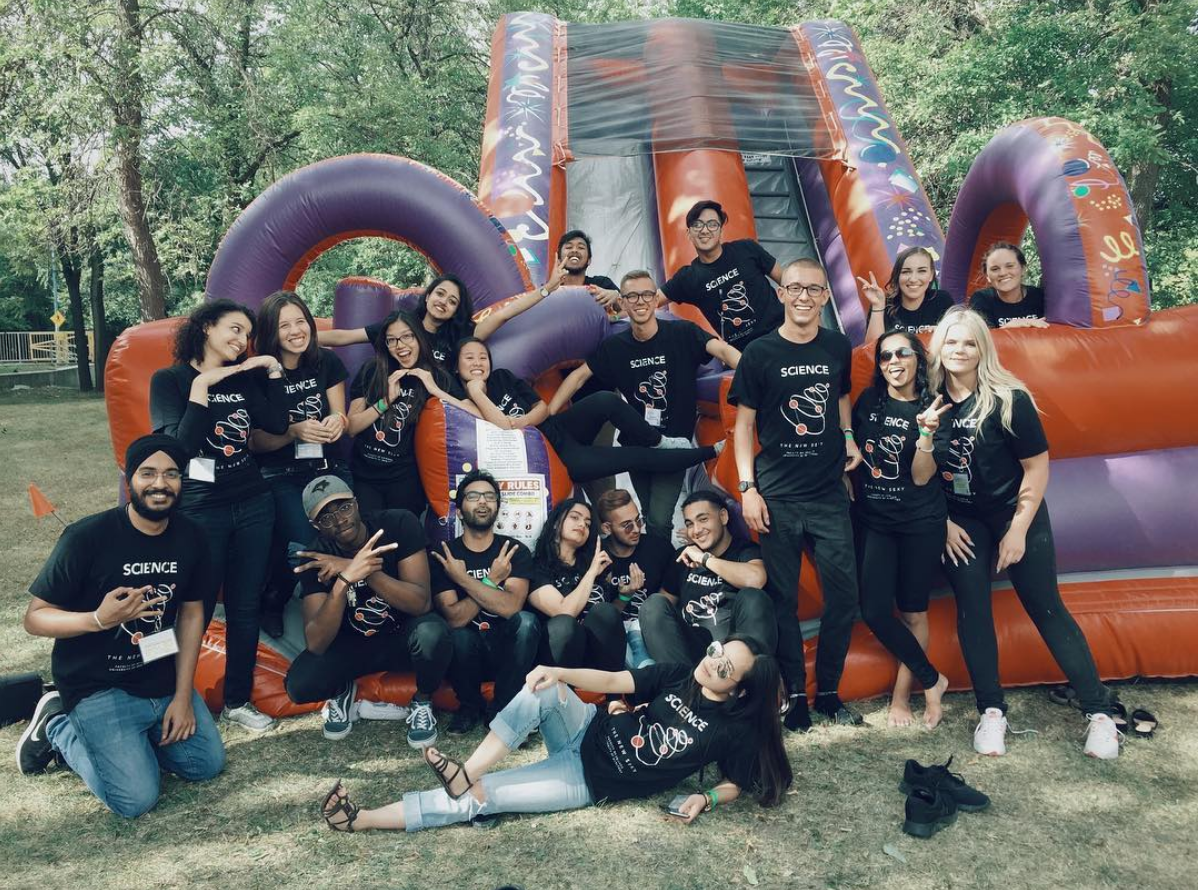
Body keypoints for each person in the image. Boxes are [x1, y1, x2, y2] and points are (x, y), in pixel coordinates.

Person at [318, 635, 792, 833]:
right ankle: (466, 772)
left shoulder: (732, 730)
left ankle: (363, 819)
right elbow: (613, 680)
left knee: (485, 798)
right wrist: (558, 671)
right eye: (716, 651)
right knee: (545, 688)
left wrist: (705, 799)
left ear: (739, 689)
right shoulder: (678, 675)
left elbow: (737, 781)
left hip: (586, 780)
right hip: (585, 727)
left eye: (724, 667)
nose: (711, 663)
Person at [928, 307, 1121, 758]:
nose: (959, 350)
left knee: (1046, 607)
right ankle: (991, 711)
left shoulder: (1008, 397)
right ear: (938, 347)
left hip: (1014, 513)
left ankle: (1099, 713)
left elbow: (1036, 467)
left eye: (969, 343)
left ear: (983, 349)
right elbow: (919, 473)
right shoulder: (928, 399)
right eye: (951, 341)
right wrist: (942, 523)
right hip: (960, 521)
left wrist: (1017, 530)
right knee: (973, 609)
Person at [17, 435, 225, 817]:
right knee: (135, 800)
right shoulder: (86, 537)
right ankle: (59, 726)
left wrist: (183, 696)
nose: (160, 484)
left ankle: (134, 742)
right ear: (129, 479)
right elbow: (35, 617)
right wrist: (98, 619)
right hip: (98, 685)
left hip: (160, 677)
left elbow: (192, 614)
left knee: (205, 765)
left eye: (171, 474)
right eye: (148, 473)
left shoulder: (193, 537)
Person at [729, 258, 864, 731]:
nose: (803, 297)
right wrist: (748, 489)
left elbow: (841, 396)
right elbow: (743, 426)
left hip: (828, 494)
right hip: (777, 497)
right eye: (795, 288)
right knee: (782, 601)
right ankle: (797, 698)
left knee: (844, 597)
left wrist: (848, 437)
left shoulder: (836, 345)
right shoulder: (759, 352)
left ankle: (828, 693)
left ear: (825, 296)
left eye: (813, 289)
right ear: (781, 294)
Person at [149, 298, 289, 732]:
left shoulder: (243, 377)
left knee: (245, 605)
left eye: (247, 334)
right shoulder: (170, 380)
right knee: (193, 604)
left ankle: (237, 701)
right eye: (234, 329)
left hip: (252, 503)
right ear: (206, 327)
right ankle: (166, 696)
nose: (242, 340)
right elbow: (178, 450)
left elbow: (278, 423)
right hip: (199, 508)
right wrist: (203, 385)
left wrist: (273, 372)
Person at [550, 270, 741, 540]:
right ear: (622, 302)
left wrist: (752, 374)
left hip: (674, 446)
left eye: (647, 295)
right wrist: (548, 413)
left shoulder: (682, 332)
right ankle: (653, 561)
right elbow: (579, 376)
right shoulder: (615, 347)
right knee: (649, 515)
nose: (640, 301)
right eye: (632, 296)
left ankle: (657, 560)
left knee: (660, 520)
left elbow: (721, 350)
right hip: (638, 445)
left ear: (655, 300)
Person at [285, 476, 451, 747]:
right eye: (326, 517)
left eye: (343, 507)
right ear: (315, 526)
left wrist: (363, 571)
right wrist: (344, 580)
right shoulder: (317, 556)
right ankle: (343, 690)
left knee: (433, 633)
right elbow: (315, 643)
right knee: (300, 684)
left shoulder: (398, 524)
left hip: (403, 638)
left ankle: (422, 701)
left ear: (356, 503)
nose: (339, 520)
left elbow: (421, 603)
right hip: (354, 647)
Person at [454, 337, 720, 491]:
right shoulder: (467, 402)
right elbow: (503, 426)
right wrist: (476, 392)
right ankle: (711, 451)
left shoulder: (502, 376)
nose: (478, 363)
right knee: (637, 457)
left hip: (559, 429)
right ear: (457, 367)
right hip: (560, 457)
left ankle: (659, 440)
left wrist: (523, 421)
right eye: (469, 358)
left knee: (605, 399)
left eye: (483, 357)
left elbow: (542, 409)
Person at [851, 331, 952, 729]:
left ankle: (901, 698)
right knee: (875, 611)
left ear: (918, 360)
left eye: (902, 353)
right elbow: (850, 446)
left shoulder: (935, 408)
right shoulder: (868, 401)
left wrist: (925, 434)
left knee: (913, 612)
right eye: (885, 356)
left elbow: (923, 476)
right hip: (875, 522)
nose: (893, 361)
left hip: (919, 525)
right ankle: (933, 679)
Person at [250, 291, 351, 637]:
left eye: (300, 321)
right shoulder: (259, 373)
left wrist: (337, 421)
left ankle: (347, 609)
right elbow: (254, 441)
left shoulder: (326, 362)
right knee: (307, 543)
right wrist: (293, 431)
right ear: (270, 332)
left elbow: (340, 414)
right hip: (281, 473)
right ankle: (277, 601)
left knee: (345, 533)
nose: (296, 331)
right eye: (285, 326)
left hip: (328, 467)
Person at [430, 470, 541, 735]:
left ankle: (504, 709)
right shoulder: (446, 556)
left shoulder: (513, 551)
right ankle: (470, 707)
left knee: (527, 622)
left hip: (507, 651)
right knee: (458, 635)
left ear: (497, 508)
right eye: (473, 496)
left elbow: (511, 607)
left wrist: (463, 579)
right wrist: (491, 581)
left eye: (490, 497)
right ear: (459, 511)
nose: (483, 501)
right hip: (467, 654)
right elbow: (454, 618)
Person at [345, 309, 474, 516]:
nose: (400, 346)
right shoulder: (372, 369)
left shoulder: (436, 376)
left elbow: (475, 413)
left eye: (407, 336)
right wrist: (386, 401)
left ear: (419, 337)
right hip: (365, 475)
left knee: (404, 531)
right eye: (392, 340)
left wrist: (435, 390)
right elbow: (351, 427)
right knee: (371, 531)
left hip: (406, 478)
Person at [321, 267, 570, 366]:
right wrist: (300, 340)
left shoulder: (461, 335)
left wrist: (547, 289)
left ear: (455, 311)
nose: (443, 302)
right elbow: (345, 336)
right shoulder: (401, 324)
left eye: (452, 301)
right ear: (428, 296)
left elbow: (504, 315)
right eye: (440, 294)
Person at [640, 491, 777, 666]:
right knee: (652, 604)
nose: (696, 530)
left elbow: (755, 580)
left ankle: (747, 678)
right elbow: (659, 609)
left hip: (735, 648)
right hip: (694, 648)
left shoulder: (745, 551)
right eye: (690, 524)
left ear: (723, 516)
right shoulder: (683, 557)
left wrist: (705, 559)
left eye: (703, 519)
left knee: (753, 596)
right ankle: (682, 682)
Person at [659, 199, 783, 349]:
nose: (705, 230)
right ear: (689, 233)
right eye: (697, 225)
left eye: (712, 224)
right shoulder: (688, 278)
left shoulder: (746, 249)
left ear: (721, 231)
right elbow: (649, 301)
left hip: (783, 336)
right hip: (746, 353)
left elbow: (789, 281)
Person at [526, 499, 626, 673]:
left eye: (587, 524)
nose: (582, 525)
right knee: (564, 624)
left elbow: (608, 620)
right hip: (558, 655)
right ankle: (562, 688)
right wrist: (591, 573)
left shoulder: (596, 565)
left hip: (595, 655)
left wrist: (625, 596)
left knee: (605, 611)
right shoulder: (536, 567)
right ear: (556, 523)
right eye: (575, 517)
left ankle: (612, 688)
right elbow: (564, 612)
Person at [593, 489, 676, 668]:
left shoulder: (659, 549)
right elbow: (600, 622)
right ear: (607, 528)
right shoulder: (597, 557)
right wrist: (624, 597)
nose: (637, 529)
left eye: (638, 520)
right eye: (627, 525)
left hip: (653, 631)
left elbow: (668, 607)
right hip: (613, 637)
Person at [858, 246, 956, 342]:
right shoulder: (883, 303)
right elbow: (872, 348)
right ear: (897, 276)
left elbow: (957, 338)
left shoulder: (942, 300)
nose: (913, 279)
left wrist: (941, 332)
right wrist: (877, 306)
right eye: (906, 272)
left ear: (931, 275)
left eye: (921, 271)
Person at [967, 242, 1048, 329]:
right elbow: (981, 335)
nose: (1003, 273)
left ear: (1023, 269)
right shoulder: (981, 299)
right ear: (987, 276)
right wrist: (1008, 328)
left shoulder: (1040, 296)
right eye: (995, 269)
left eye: (1010, 266)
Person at [558, 229, 621, 312]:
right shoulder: (552, 289)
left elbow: (627, 309)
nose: (574, 250)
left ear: (589, 260)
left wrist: (616, 295)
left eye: (581, 247)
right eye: (569, 247)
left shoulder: (602, 283)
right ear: (559, 260)